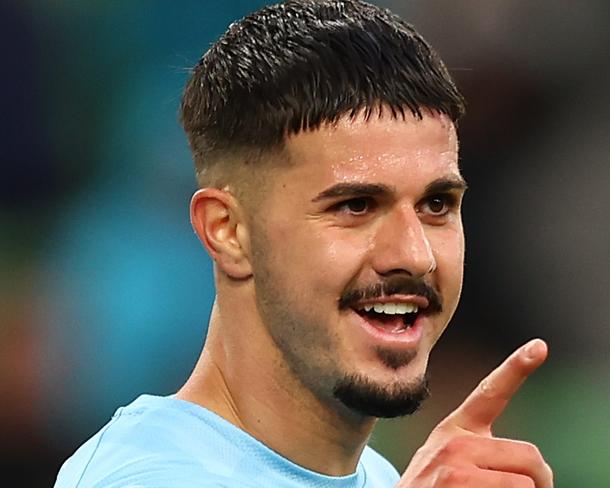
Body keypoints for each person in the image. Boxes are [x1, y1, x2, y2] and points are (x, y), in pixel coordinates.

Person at [55, 1, 553, 486]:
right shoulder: (143, 476)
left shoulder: (380, 476)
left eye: (437, 204)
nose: (414, 255)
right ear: (227, 231)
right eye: (356, 205)